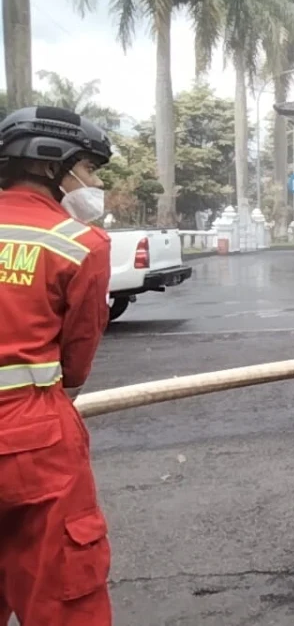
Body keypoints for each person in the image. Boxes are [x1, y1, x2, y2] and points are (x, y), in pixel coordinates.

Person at [0, 106, 115, 625]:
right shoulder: (79, 244)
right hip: (33, 440)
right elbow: (78, 354)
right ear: (53, 164)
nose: (91, 183)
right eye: (88, 169)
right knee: (65, 592)